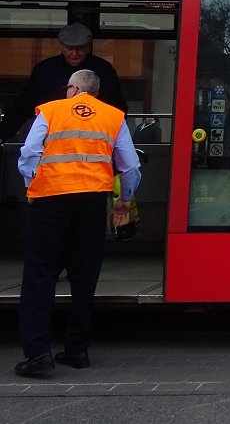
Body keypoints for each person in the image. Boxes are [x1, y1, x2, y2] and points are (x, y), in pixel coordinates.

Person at [13, 69, 141, 378]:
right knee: (84, 275)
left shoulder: (51, 110)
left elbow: (29, 153)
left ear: (72, 88)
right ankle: (77, 350)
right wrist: (124, 201)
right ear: (95, 93)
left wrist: (31, 186)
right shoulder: (113, 116)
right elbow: (131, 166)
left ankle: (38, 354)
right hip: (92, 203)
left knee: (41, 273)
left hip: (50, 200)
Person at [0, 23, 127, 142]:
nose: (74, 54)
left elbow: (117, 110)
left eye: (80, 49)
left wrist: (117, 141)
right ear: (61, 46)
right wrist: (2, 135)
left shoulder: (104, 70)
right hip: (53, 140)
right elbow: (22, 107)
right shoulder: (45, 71)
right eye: (69, 48)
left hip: (93, 140)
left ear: (89, 47)